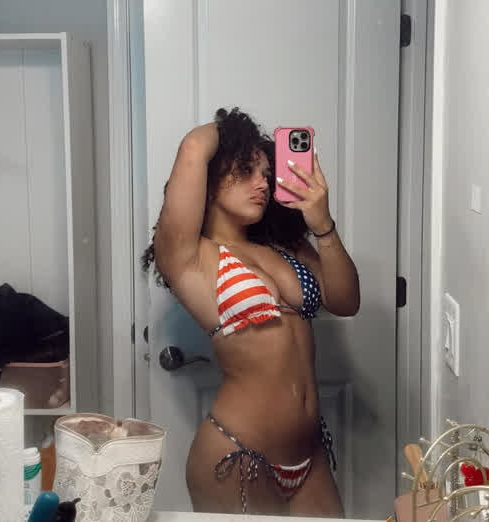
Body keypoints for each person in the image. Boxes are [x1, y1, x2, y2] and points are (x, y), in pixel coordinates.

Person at [143, 108, 360, 516]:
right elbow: (194, 146)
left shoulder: (285, 247)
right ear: (210, 181)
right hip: (237, 455)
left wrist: (323, 224)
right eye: (246, 170)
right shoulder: (189, 257)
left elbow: (346, 302)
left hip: (309, 455)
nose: (262, 182)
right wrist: (238, 134)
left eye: (266, 173)